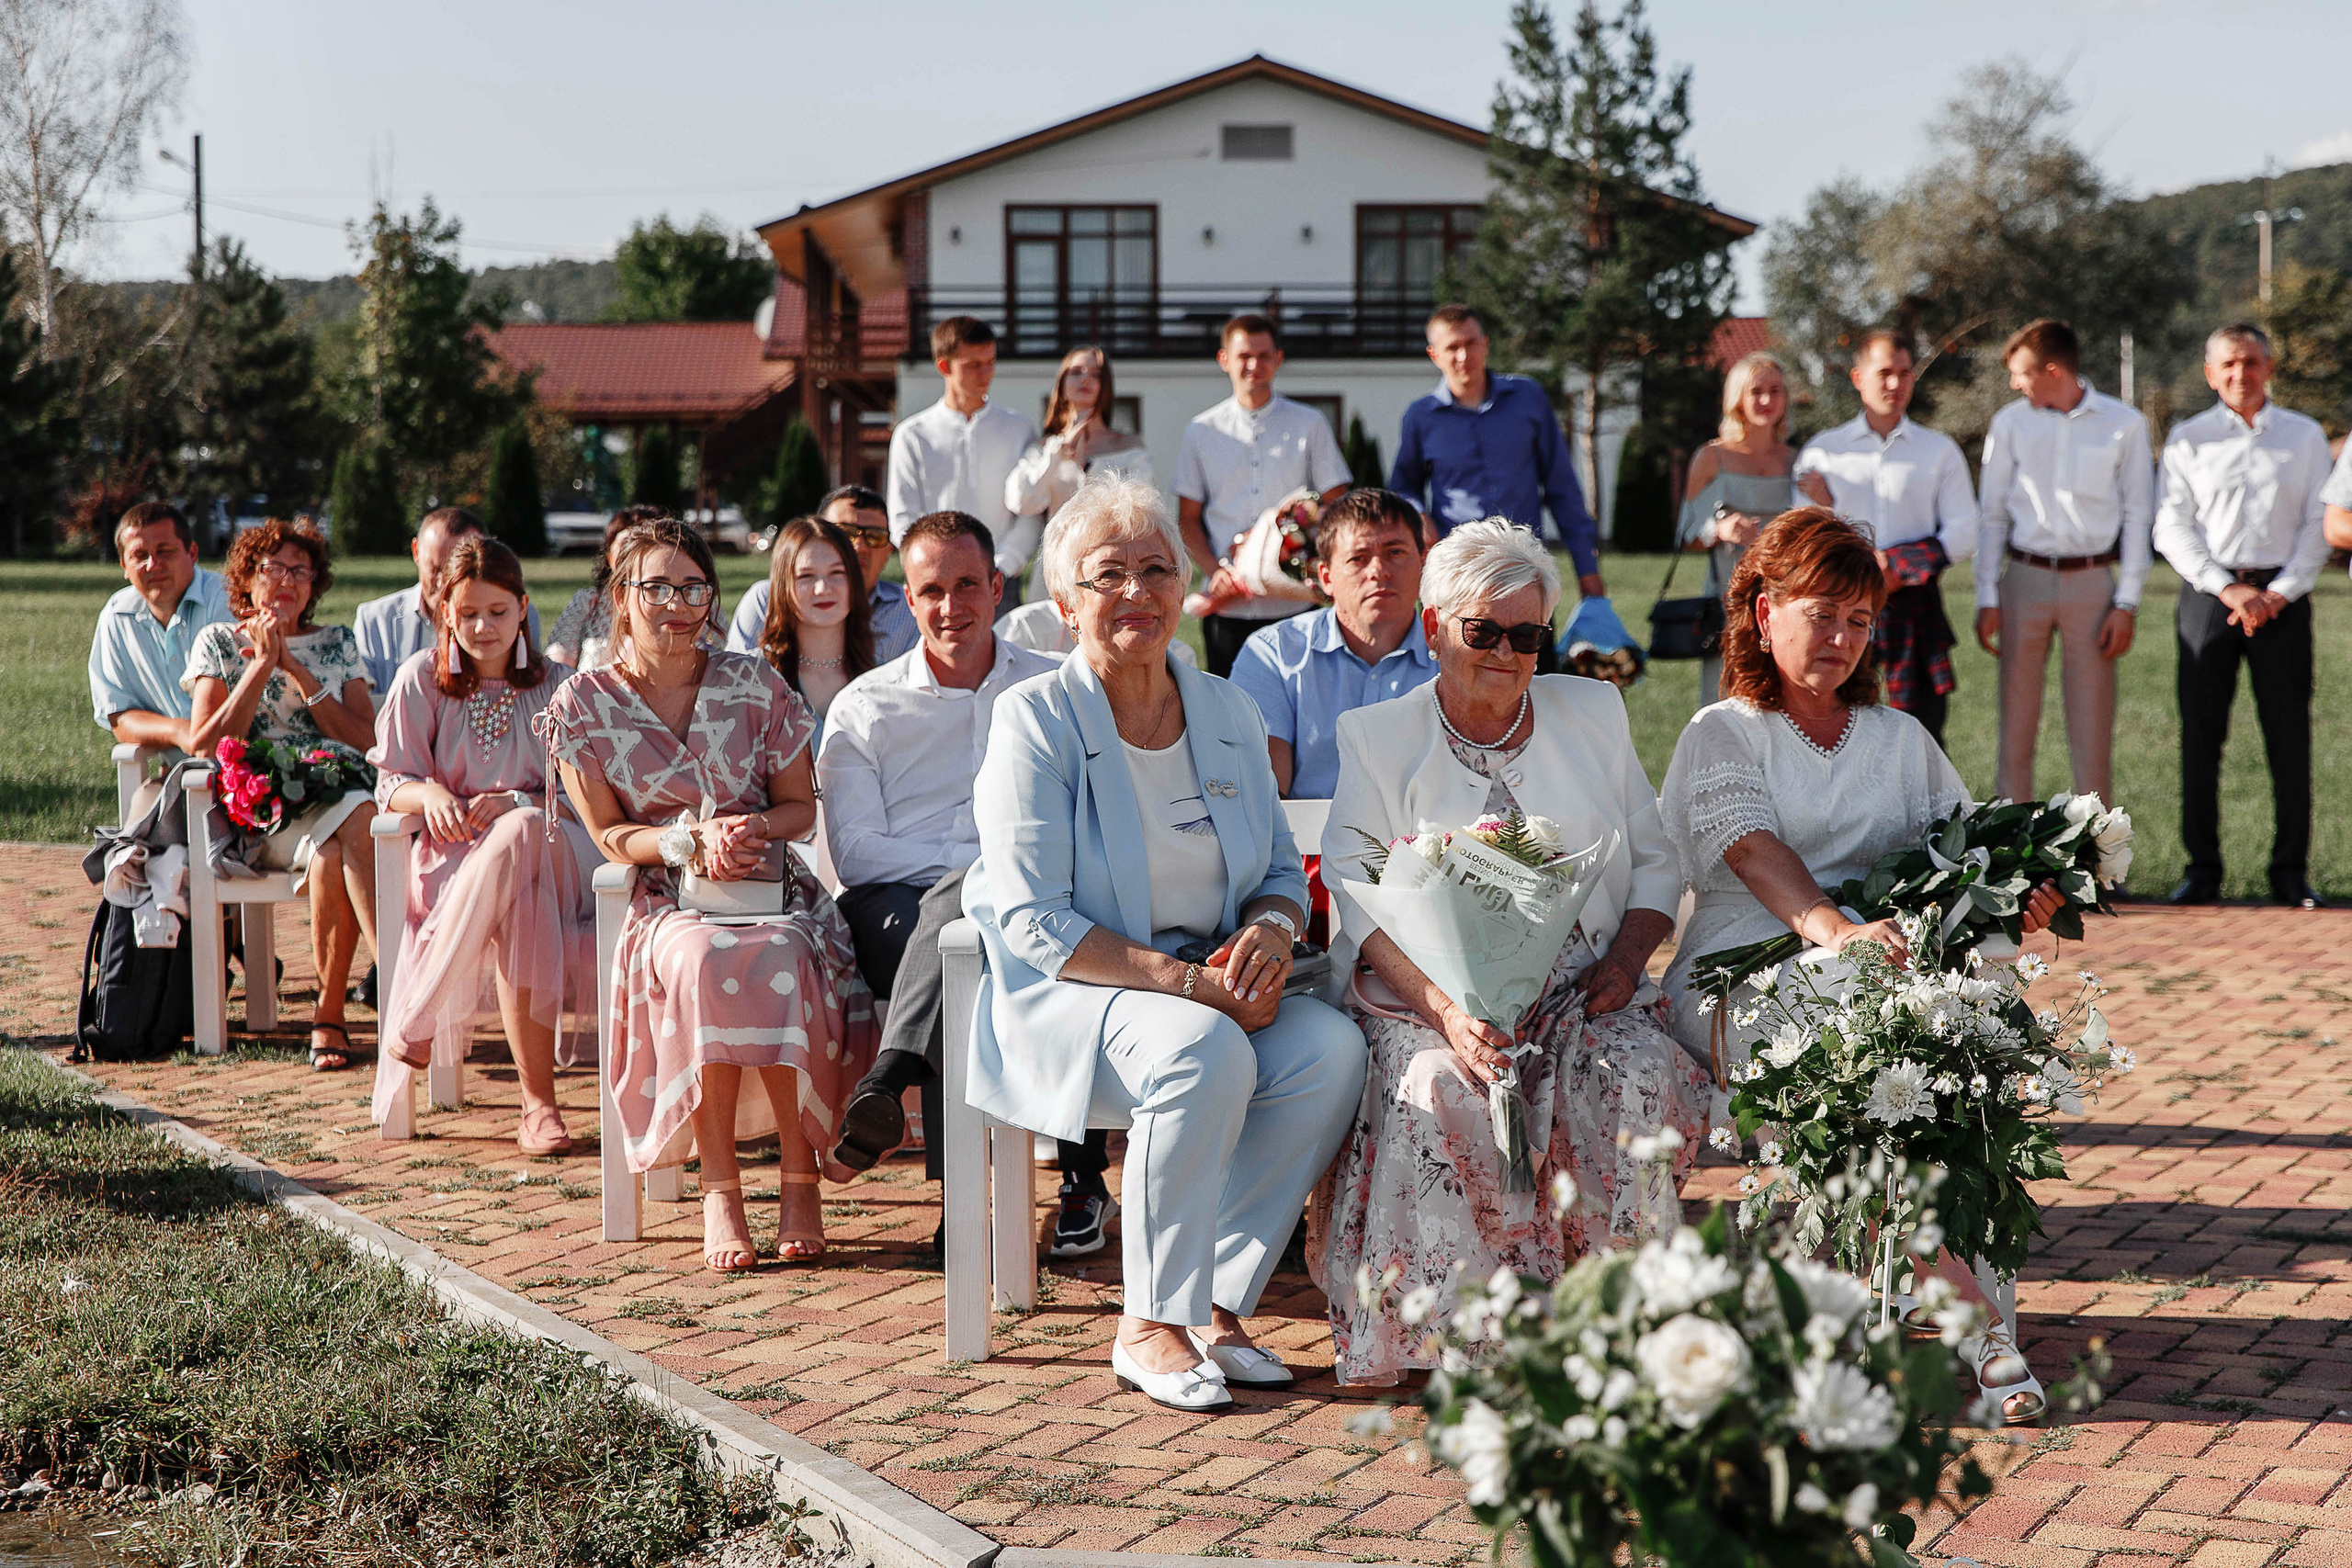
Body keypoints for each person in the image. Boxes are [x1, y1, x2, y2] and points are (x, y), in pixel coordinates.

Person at [963, 474, 1365, 1411]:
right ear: (1064, 605)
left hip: (1206, 991)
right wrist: (1187, 984)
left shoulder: (1225, 710)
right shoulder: (1035, 721)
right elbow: (1031, 920)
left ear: (1185, 588)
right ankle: (1148, 1321)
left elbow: (1275, 871)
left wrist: (1269, 933)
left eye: (1156, 569)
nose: (1136, 592)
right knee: (1202, 1046)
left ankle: (1216, 1306)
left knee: (1329, 1049)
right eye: (1108, 575)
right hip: (1072, 993)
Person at [1656, 508, 2064, 1421]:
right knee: (1864, 1047)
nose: (1841, 637)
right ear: (1764, 615)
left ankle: (1942, 1302)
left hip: (1875, 970)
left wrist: (2022, 895)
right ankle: (1974, 1328)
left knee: (1959, 1048)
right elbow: (1753, 849)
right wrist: (1832, 929)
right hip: (1738, 973)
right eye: (1820, 612)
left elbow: (1964, 858)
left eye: (1859, 619)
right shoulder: (1722, 732)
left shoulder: (1900, 739)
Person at [1315, 519, 1703, 1386]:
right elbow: (1356, 892)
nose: (1505, 652)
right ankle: (1475, 1335)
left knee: (1631, 1072)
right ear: (1432, 630)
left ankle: (1625, 1312)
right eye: (1481, 631)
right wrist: (1450, 1013)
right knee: (1445, 1086)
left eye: (1526, 635)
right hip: (1427, 995)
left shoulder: (1592, 710)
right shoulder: (1377, 737)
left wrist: (1628, 959)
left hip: (1581, 987)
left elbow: (1654, 856)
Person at [546, 517, 878, 1272]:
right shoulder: (582, 705)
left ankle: (800, 1182)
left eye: (692, 586)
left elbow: (801, 810)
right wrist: (681, 841)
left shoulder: (754, 681)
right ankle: (720, 1189)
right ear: (619, 599)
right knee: (702, 960)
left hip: (772, 888)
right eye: (656, 585)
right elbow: (606, 835)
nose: (676, 602)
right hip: (666, 897)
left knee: (788, 953)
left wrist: (747, 825)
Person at [816, 513, 1068, 1225]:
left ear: (996, 587)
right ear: (909, 598)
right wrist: (982, 867)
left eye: (967, 586)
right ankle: (1013, 1199)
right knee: (964, 929)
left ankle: (894, 1088)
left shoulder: (1052, 689)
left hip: (1031, 897)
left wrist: (992, 874)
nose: (951, 606)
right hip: (890, 909)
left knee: (978, 925)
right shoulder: (865, 705)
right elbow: (859, 854)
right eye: (931, 590)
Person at [369, 536, 596, 1154]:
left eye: (497, 612)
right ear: (445, 612)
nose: (482, 627)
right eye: (467, 613)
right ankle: (538, 1108)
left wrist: (522, 802)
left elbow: (593, 800)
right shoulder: (422, 680)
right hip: (459, 861)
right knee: (525, 906)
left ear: (524, 608)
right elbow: (390, 782)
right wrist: (430, 795)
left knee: (521, 830)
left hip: (561, 847)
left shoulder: (562, 685)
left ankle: (419, 1011)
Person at [183, 518, 379, 1072]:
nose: (287, 581)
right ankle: (389, 985)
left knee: (347, 831)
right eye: (273, 569)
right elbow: (205, 744)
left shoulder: (336, 643)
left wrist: (295, 669)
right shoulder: (219, 642)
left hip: (335, 798)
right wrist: (260, 668)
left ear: (315, 584)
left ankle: (331, 1013)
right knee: (347, 834)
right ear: (247, 579)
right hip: (258, 812)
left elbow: (367, 741)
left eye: (301, 570)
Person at [2153, 322, 2334, 909]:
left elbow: (2318, 524)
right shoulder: (2188, 438)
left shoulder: (2304, 437)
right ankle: (2201, 870)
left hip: (2286, 595)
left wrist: (2279, 593)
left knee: (2289, 739)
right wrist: (2226, 588)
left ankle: (2290, 873)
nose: (2240, 374)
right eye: (2228, 364)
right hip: (2210, 598)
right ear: (2210, 373)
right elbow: (2171, 525)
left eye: (2251, 362)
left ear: (2270, 367)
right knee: (2201, 739)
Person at [1973, 319, 2155, 808]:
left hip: (2093, 584)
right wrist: (1988, 595)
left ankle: (2096, 864)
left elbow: (2140, 514)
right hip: (2024, 579)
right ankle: (2012, 867)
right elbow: (1991, 516)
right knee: (2015, 728)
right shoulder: (2009, 424)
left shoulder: (2125, 425)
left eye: (2022, 373)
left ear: (2053, 370)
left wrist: (2128, 602)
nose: (2015, 383)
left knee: (2092, 732)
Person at [1792, 330, 1979, 744]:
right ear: (1858, 377)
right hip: (1838, 609)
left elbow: (1965, 532)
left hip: (1913, 610)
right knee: (1836, 732)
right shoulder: (1821, 452)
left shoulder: (1939, 450)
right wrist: (1832, 513)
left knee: (1920, 737)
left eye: (1905, 373)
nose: (1895, 384)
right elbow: (1802, 536)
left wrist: (1895, 568)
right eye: (1884, 373)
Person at [1227, 487, 1436, 800]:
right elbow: (1266, 799)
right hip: (1308, 845)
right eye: (1358, 558)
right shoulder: (1273, 654)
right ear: (1325, 577)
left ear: (1423, 563)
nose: (1378, 571)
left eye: (1395, 552)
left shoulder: (1457, 655)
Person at [1174, 314, 1352, 678]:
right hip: (1228, 605)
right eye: (1243, 356)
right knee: (1231, 713)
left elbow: (1337, 504)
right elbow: (1187, 518)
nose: (1254, 365)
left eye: (1263, 355)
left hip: (1294, 603)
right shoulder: (1201, 431)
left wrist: (1302, 549)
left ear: (1278, 359)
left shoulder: (1309, 423)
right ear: (1224, 360)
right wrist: (1214, 571)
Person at [1390, 304, 1606, 600]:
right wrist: (1418, 514)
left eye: (1471, 343)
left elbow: (1562, 486)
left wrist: (1587, 569)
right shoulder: (1420, 416)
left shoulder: (1528, 398)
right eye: (1453, 347)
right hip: (1456, 574)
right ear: (1434, 355)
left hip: (1525, 568)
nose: (1464, 356)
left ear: (1486, 344)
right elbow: (1403, 488)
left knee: (1531, 647)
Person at [1676, 351, 1830, 704]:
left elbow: (1818, 533)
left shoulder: (1799, 460)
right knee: (1729, 700)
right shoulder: (1710, 458)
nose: (1766, 400)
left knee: (1787, 697)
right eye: (1756, 391)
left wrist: (1824, 502)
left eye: (1775, 391)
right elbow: (1685, 534)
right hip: (1730, 602)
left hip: (1789, 599)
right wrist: (1719, 530)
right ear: (1737, 399)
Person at [887, 317, 1036, 606]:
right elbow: (902, 517)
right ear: (944, 366)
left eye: (990, 362)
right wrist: (937, 567)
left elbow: (1030, 512)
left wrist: (1002, 567)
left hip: (1000, 582)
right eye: (973, 364)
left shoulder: (1019, 428)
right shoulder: (912, 435)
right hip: (935, 582)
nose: (986, 373)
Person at [1003, 346, 1153, 601]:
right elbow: (1021, 501)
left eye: (1095, 374)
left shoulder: (1128, 448)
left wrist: (1086, 467)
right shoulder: (1041, 450)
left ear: (1105, 385)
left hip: (1112, 571)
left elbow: (1140, 506)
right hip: (1055, 571)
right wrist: (1056, 455)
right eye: (1075, 372)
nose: (1085, 379)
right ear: (1061, 383)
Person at [89, 501, 232, 760]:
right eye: (140, 555)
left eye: (165, 551)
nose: (153, 564)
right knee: (143, 802)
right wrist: (179, 731)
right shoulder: (116, 616)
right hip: (178, 774)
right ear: (124, 566)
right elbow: (119, 716)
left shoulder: (226, 600)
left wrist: (198, 738)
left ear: (192, 553)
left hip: (247, 774)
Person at [352, 507, 540, 696]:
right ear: (416, 551)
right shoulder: (374, 619)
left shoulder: (517, 614)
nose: (444, 583)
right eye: (435, 569)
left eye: (459, 572)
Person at [728, 485, 917, 666]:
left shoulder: (912, 610)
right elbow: (731, 686)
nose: (860, 547)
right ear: (816, 534)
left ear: (889, 551)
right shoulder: (766, 600)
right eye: (844, 533)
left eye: (875, 537)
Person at [753, 515, 876, 734]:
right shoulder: (753, 679)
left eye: (837, 573)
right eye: (806, 576)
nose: (823, 589)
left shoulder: (882, 682)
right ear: (784, 586)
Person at [546, 504, 673, 673]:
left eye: (645, 546)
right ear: (610, 557)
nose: (633, 555)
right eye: (626, 545)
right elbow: (557, 668)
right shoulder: (589, 602)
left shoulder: (683, 603)